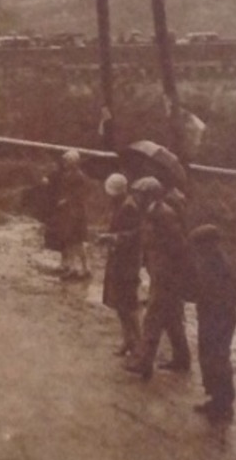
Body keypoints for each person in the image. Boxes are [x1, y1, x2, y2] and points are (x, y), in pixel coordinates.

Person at [124, 178, 193, 379]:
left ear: (149, 195)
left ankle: (144, 362)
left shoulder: (163, 215)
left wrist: (169, 268)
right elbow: (143, 237)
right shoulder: (151, 213)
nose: (135, 198)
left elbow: (179, 245)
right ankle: (182, 358)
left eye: (139, 194)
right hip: (160, 271)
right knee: (171, 317)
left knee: (153, 317)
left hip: (167, 274)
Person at [188, 224, 236, 424]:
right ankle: (215, 399)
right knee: (207, 357)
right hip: (208, 316)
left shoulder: (220, 265)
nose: (198, 250)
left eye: (201, 245)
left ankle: (224, 404)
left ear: (210, 244)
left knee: (218, 359)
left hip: (219, 319)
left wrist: (221, 311)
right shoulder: (207, 262)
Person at [98, 173, 142, 357]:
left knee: (128, 305)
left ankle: (139, 346)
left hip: (127, 262)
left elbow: (135, 234)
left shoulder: (129, 207)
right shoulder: (121, 205)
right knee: (121, 305)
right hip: (119, 259)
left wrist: (113, 238)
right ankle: (128, 341)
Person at [47, 149, 91, 280]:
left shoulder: (78, 176)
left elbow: (79, 194)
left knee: (76, 241)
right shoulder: (68, 174)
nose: (64, 163)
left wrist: (66, 200)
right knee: (70, 240)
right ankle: (72, 266)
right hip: (68, 212)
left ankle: (84, 267)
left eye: (66, 161)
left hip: (75, 213)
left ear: (73, 162)